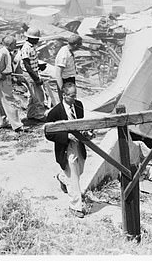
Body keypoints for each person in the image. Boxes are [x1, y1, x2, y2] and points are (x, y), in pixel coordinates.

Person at [45, 82, 88, 218]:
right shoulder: (55, 112)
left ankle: (62, 178)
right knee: (73, 177)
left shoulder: (79, 106)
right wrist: (66, 136)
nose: (74, 98)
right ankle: (75, 207)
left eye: (75, 95)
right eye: (71, 96)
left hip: (78, 145)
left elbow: (81, 123)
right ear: (64, 95)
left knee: (79, 170)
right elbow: (49, 133)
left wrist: (87, 134)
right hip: (65, 147)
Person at [0, 35, 24, 133]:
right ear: (11, 44)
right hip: (4, 79)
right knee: (10, 101)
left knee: (1, 101)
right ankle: (17, 125)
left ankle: (0, 122)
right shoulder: (2, 52)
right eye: (15, 44)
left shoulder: (7, 52)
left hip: (6, 77)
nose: (16, 45)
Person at [17, 27, 46, 122]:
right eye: (36, 38)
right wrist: (36, 78)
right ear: (30, 38)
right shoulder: (26, 48)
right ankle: (40, 115)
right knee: (38, 96)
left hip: (33, 72)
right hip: (30, 75)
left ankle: (31, 113)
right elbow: (27, 65)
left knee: (32, 95)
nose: (38, 40)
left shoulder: (31, 46)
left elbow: (31, 61)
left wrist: (38, 66)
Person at [54, 33, 82, 100]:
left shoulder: (68, 50)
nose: (80, 47)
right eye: (79, 44)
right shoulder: (64, 54)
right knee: (67, 101)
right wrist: (62, 89)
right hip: (65, 81)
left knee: (72, 101)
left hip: (70, 80)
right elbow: (58, 74)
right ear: (75, 45)